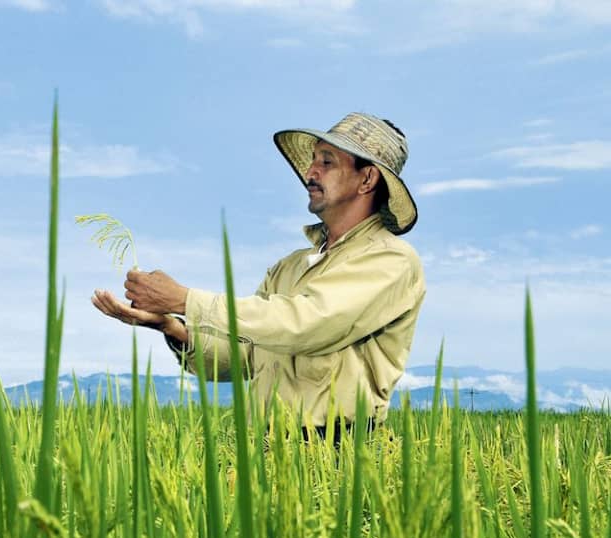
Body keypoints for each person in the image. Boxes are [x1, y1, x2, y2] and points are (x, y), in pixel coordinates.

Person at [91, 113, 425, 434]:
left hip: (340, 450)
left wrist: (186, 300)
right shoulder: (289, 267)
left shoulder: (390, 260)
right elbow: (247, 354)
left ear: (367, 179)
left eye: (326, 161)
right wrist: (173, 327)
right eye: (312, 161)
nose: (310, 172)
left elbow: (308, 324)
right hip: (266, 447)